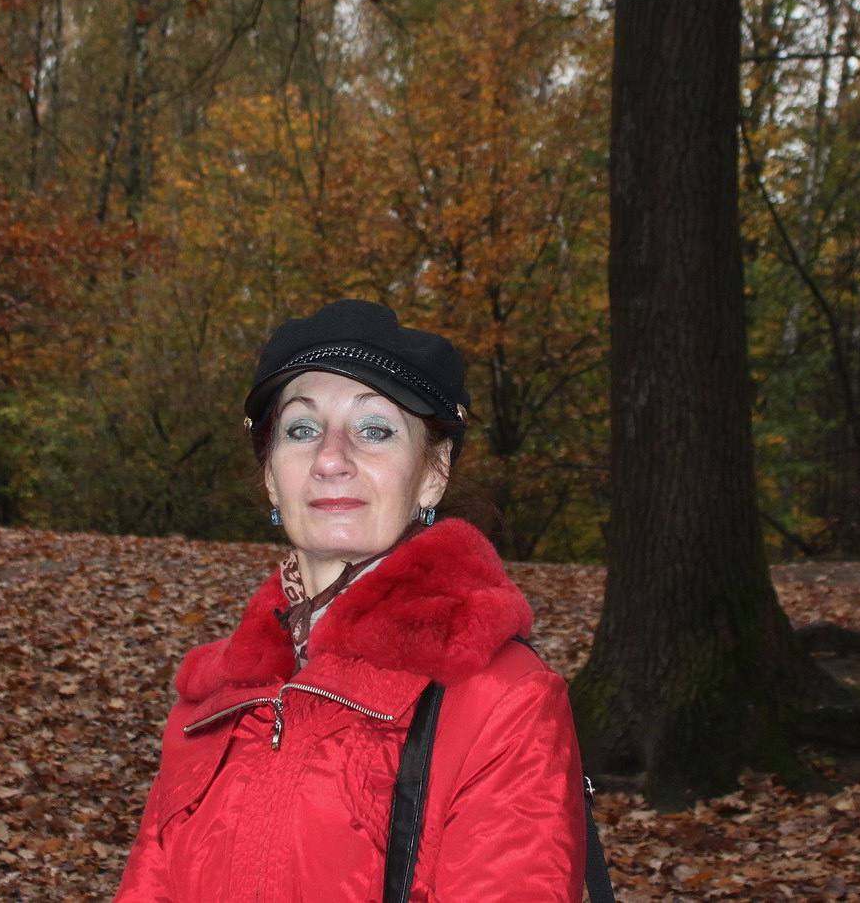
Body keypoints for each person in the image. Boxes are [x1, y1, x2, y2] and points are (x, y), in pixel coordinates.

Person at [113, 299, 587, 903]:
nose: (331, 458)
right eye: (302, 430)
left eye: (375, 430)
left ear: (433, 471)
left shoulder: (503, 699)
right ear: (271, 476)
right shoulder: (209, 704)